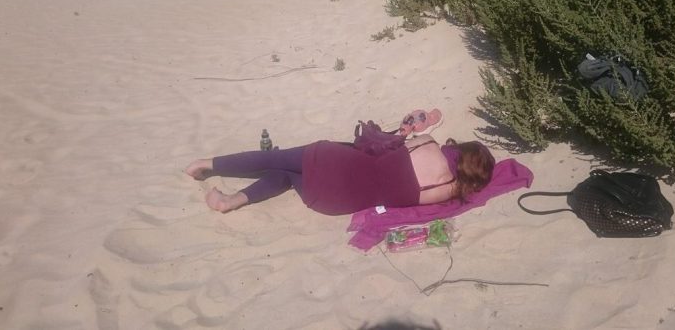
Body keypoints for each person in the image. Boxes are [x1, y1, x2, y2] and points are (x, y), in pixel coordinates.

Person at [185, 135, 496, 216]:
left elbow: (386, 150)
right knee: (286, 175)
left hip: (337, 161)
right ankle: (232, 201)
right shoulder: (447, 189)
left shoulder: (427, 143)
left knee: (274, 158)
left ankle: (205, 164)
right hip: (334, 201)